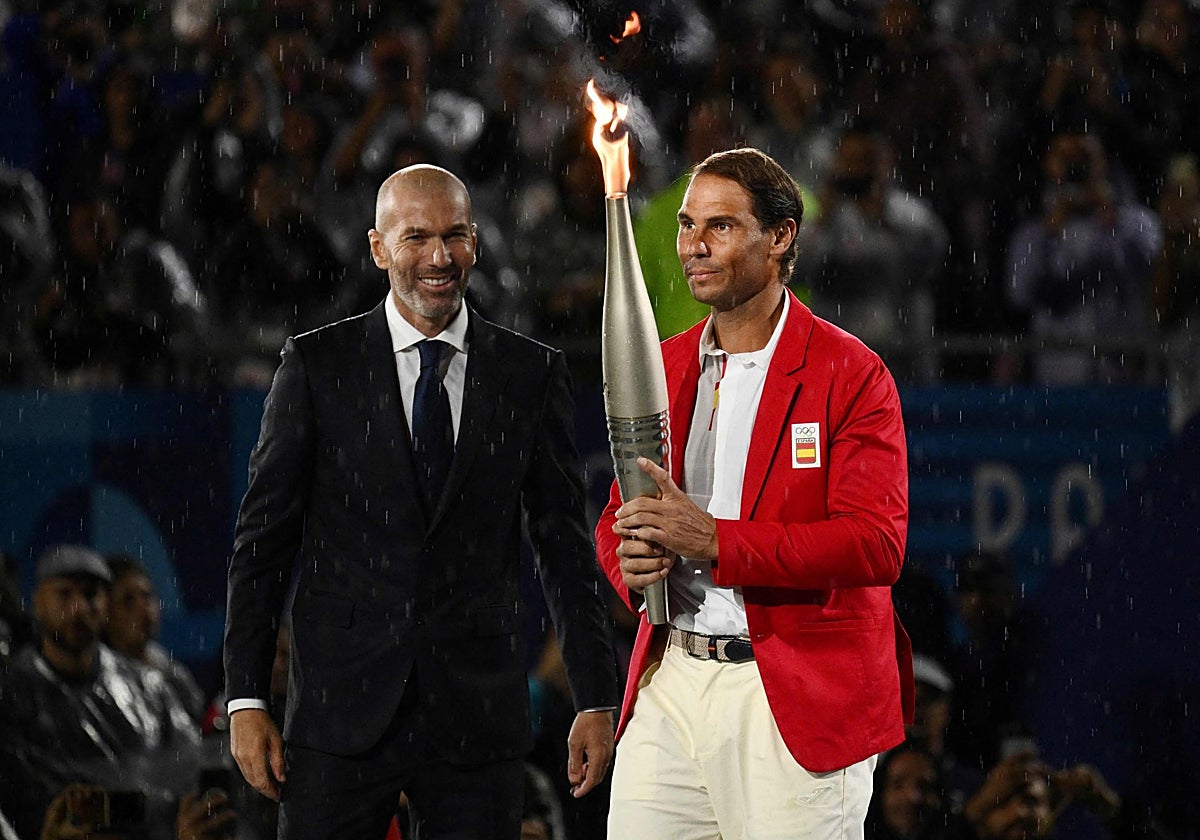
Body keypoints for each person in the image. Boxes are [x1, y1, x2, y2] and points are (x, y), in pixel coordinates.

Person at [223, 164, 619, 839]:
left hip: (476, 717)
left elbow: (564, 548)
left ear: (476, 243)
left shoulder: (529, 373)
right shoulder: (319, 366)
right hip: (339, 714)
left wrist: (595, 696)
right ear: (378, 248)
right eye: (416, 238)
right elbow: (264, 542)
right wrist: (247, 697)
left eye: (455, 236)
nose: (439, 258)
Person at [595, 147, 913, 838]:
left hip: (792, 697)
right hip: (671, 680)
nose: (694, 247)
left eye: (721, 227)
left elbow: (876, 544)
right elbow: (618, 514)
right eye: (686, 225)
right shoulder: (665, 362)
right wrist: (629, 560)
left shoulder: (851, 373)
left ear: (780, 236)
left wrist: (716, 542)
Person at [0, 544, 201, 840]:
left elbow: (185, 774)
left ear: (105, 604)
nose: (79, 608)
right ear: (38, 602)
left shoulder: (148, 687)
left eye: (91, 595)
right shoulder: (11, 694)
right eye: (65, 594)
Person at [103, 554, 207, 723]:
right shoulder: (102, 678)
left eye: (147, 596)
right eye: (128, 601)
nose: (144, 608)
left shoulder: (168, 667)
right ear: (105, 611)